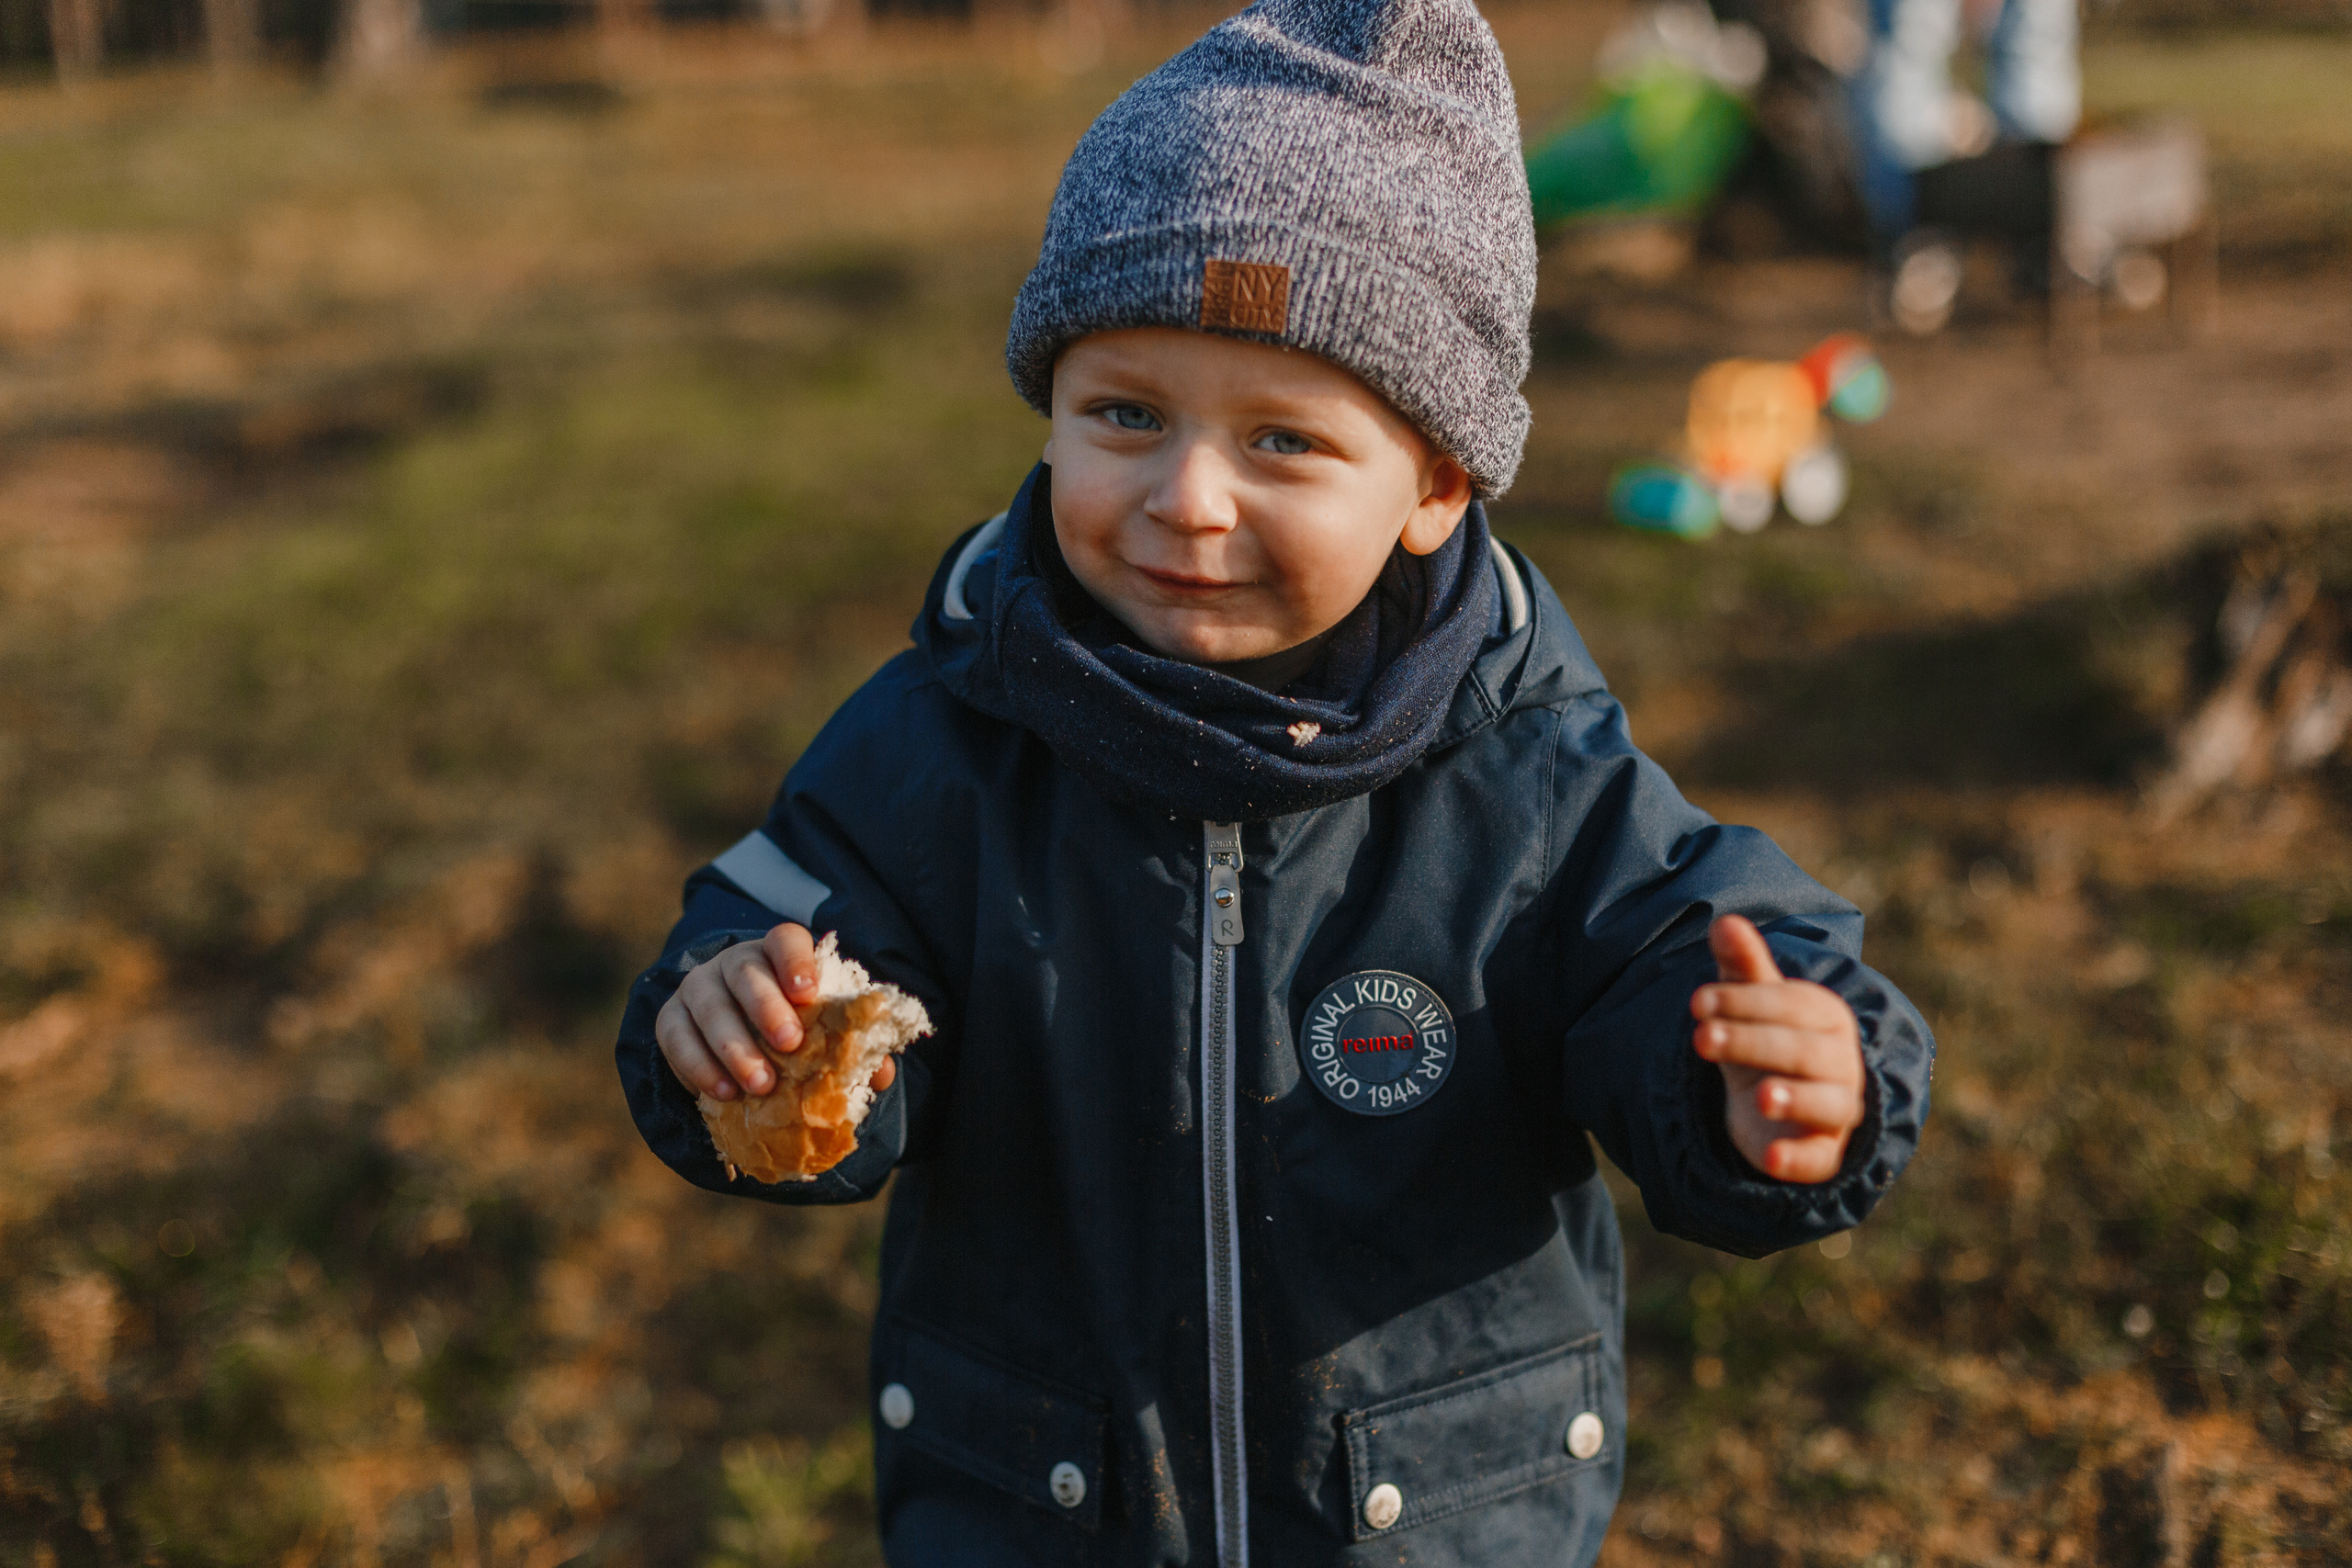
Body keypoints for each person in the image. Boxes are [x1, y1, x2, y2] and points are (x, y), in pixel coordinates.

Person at [616, 0, 1935, 1562]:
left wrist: (1775, 1077)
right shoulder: (941, 738)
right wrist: (733, 1024)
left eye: (1285, 443)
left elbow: (1691, 953)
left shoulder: (1532, 770)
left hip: (1425, 1515)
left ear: (1436, 482)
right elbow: (776, 929)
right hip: (1044, 1507)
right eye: (1123, 414)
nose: (1185, 498)